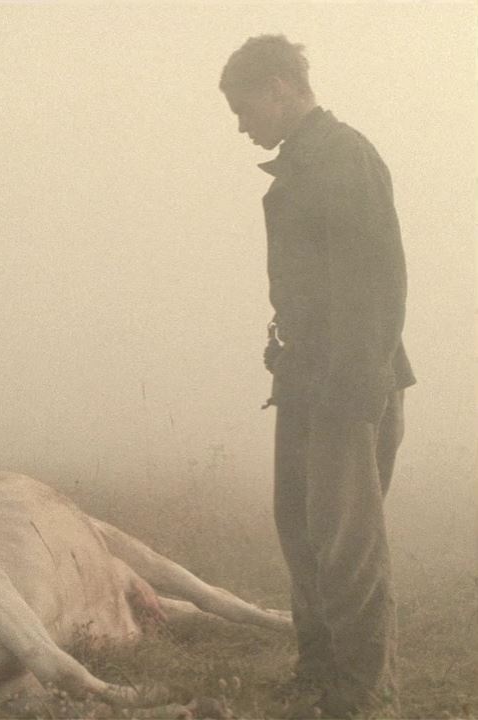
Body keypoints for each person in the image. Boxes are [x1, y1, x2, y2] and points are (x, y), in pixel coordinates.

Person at [219, 35, 415, 718]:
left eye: (244, 108)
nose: (241, 126)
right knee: (301, 528)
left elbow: (377, 285)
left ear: (279, 87)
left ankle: (363, 694)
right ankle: (319, 673)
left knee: (346, 541)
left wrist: (354, 392)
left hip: (346, 383)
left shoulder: (343, 157)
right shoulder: (306, 162)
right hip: (306, 376)